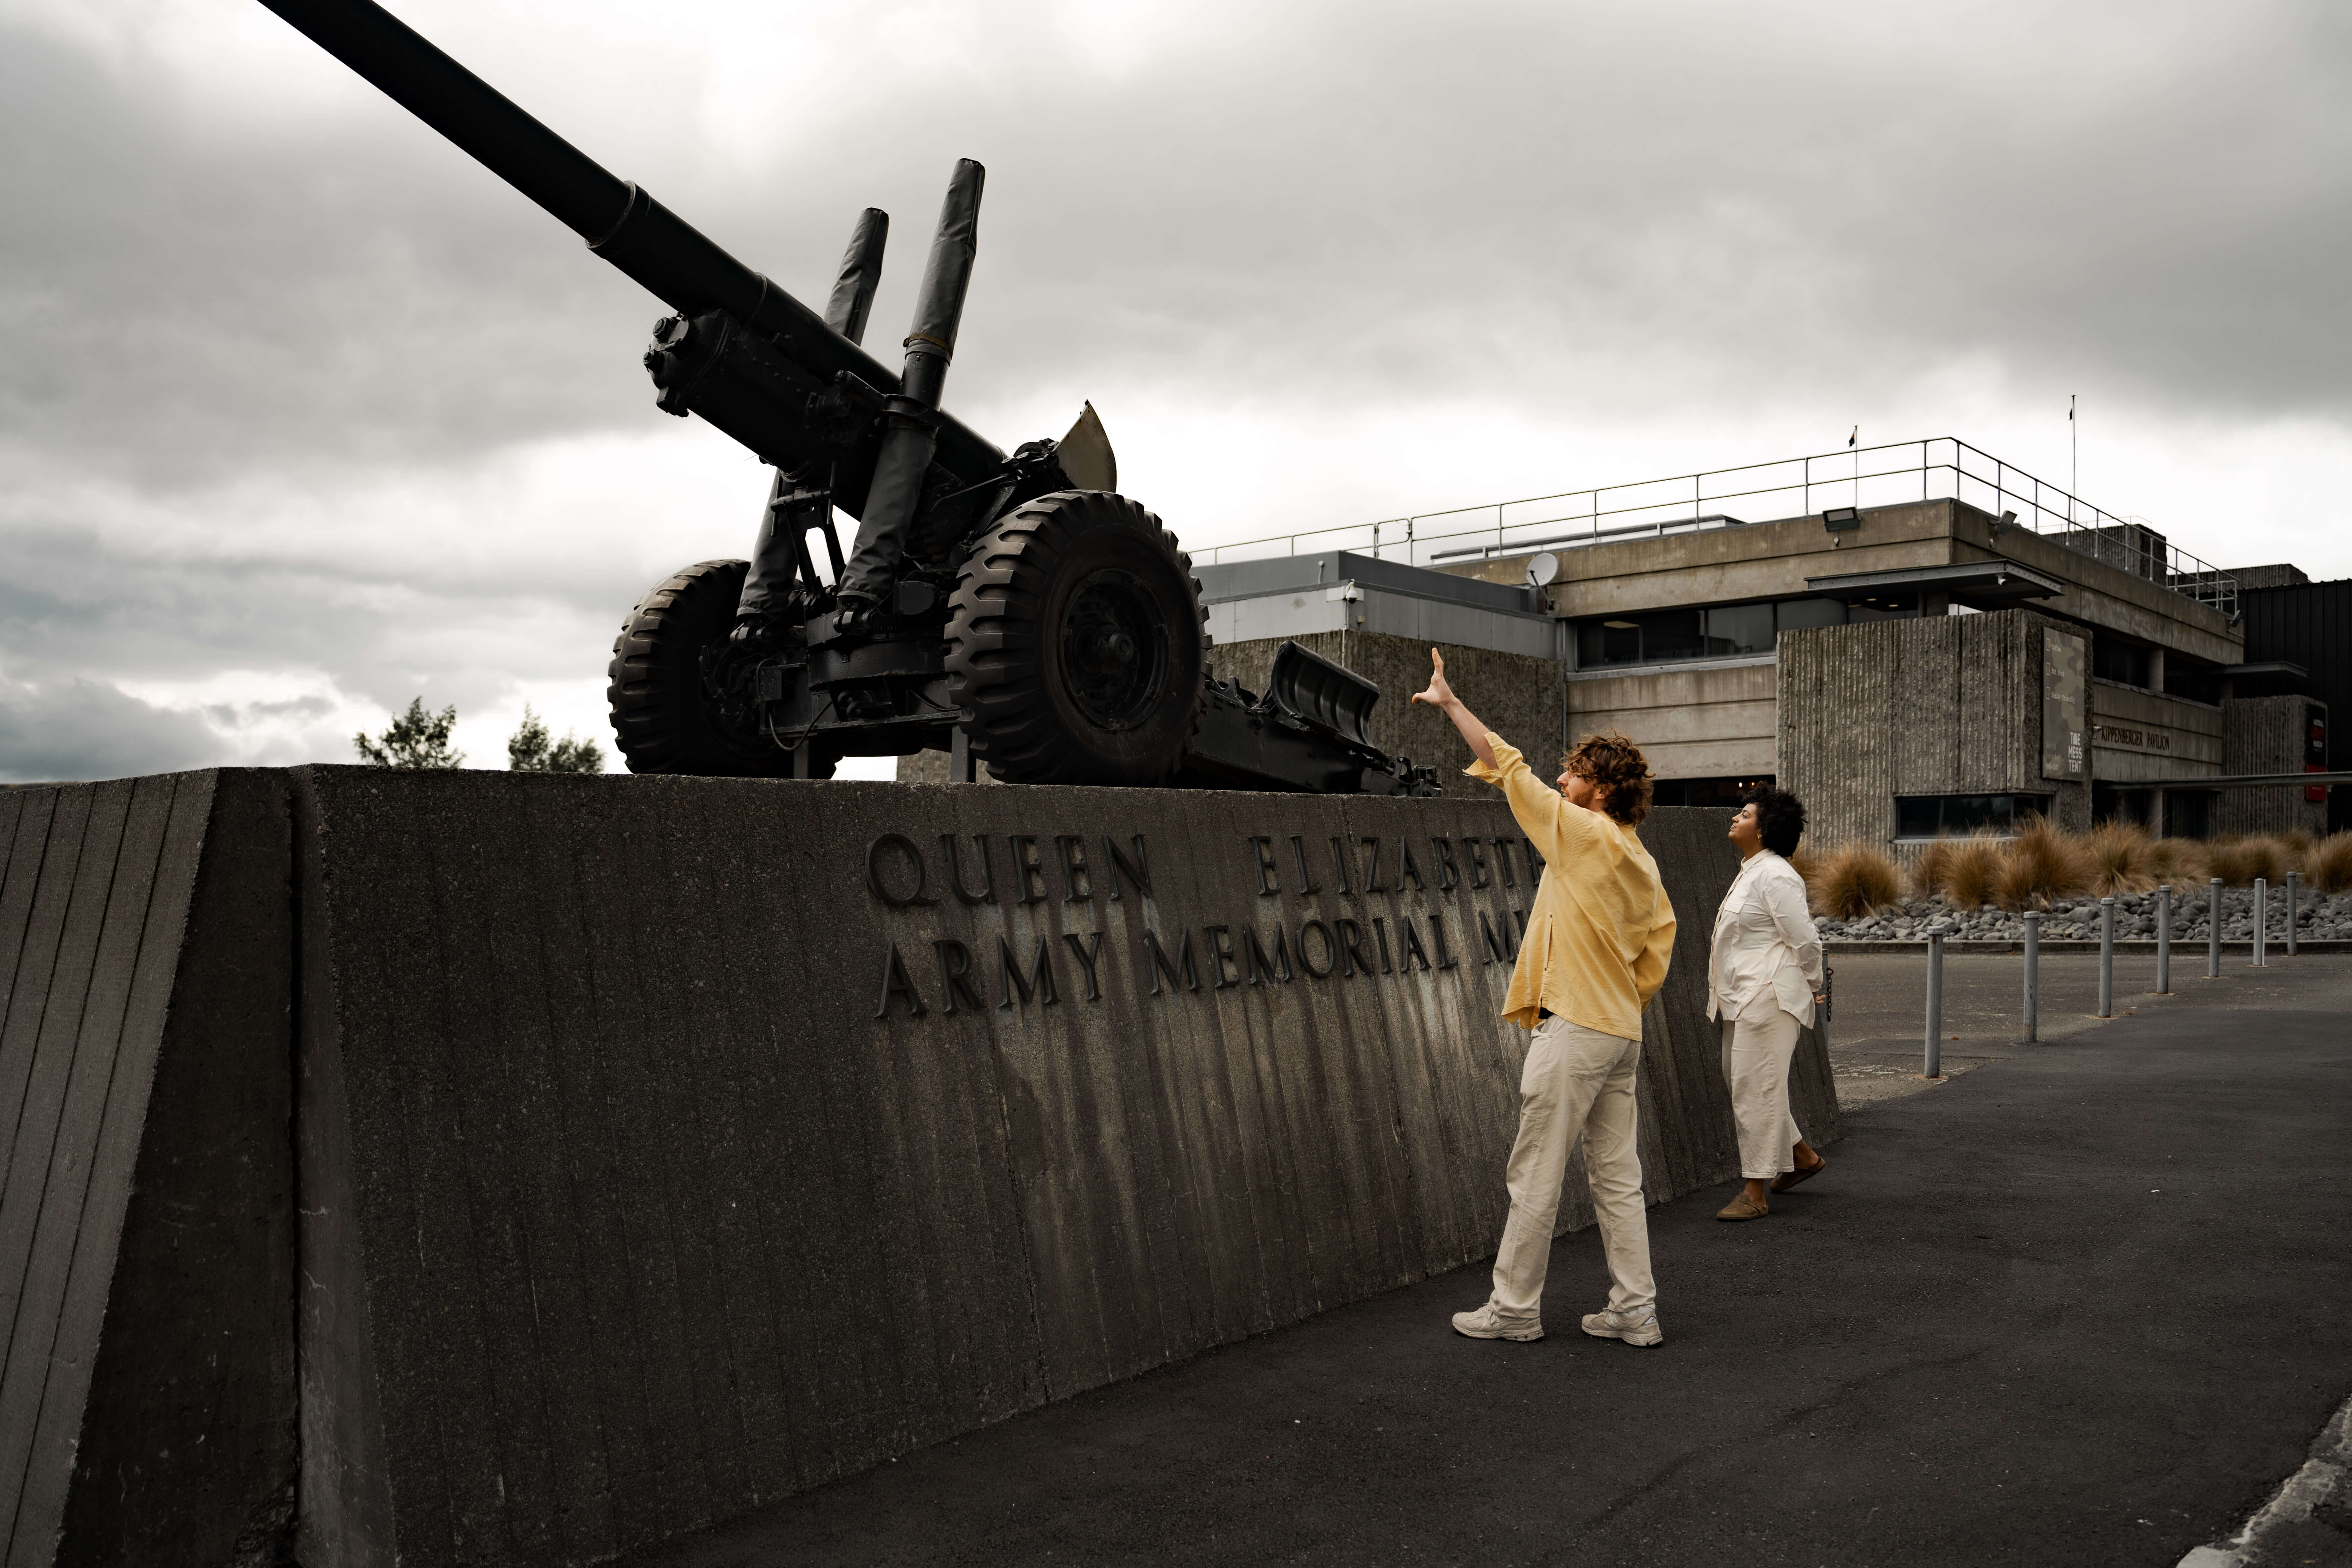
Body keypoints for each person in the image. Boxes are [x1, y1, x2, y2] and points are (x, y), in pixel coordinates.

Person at [1412, 649, 1677, 1349]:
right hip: (1621, 1032)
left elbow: (1508, 768)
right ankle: (1635, 1309)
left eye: (1577, 774)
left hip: (1576, 1030)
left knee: (1535, 1171)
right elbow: (1657, 954)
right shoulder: (1642, 861)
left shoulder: (1582, 835)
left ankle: (1514, 1307)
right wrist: (1621, 999)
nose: (1564, 782)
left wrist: (1451, 704)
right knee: (1618, 1178)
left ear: (1600, 789)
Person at [1707, 786, 1828, 1222]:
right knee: (1746, 1084)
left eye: (1745, 814)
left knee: (1755, 1090)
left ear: (1765, 829)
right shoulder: (1753, 871)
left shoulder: (1776, 875)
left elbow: (1805, 939)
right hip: (1741, 999)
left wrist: (1816, 985)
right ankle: (1802, 1158)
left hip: (1768, 999)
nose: (1736, 818)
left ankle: (1754, 1192)